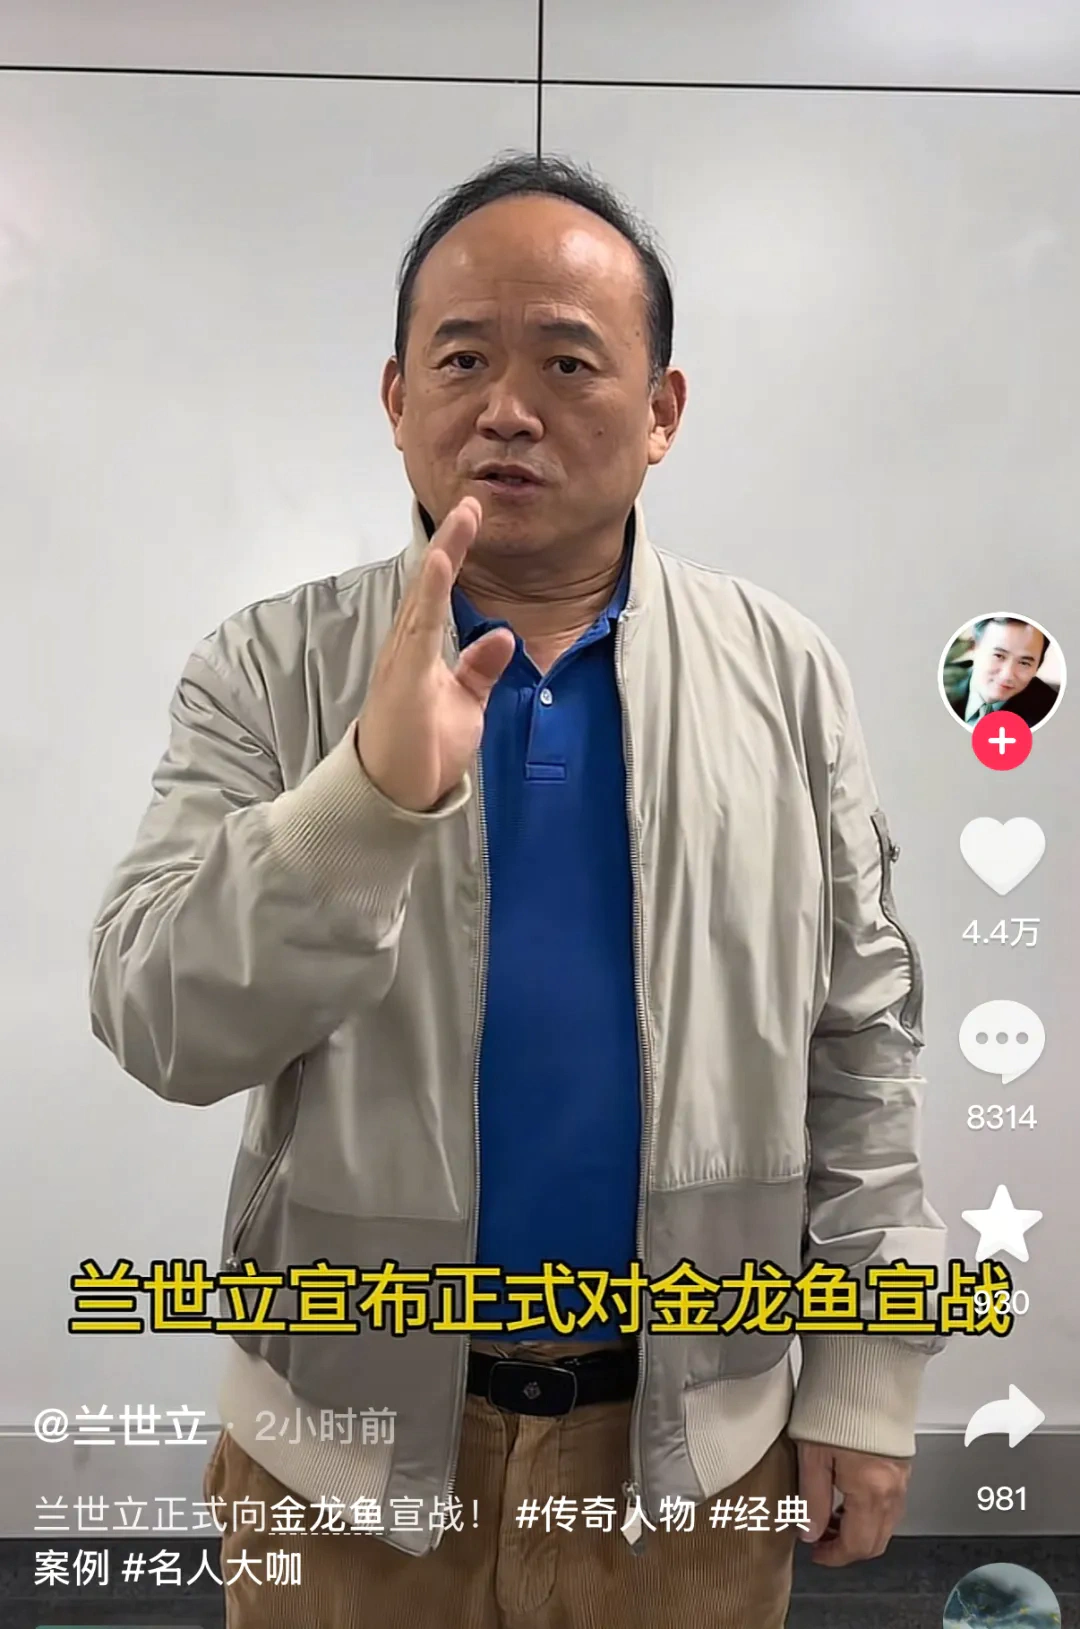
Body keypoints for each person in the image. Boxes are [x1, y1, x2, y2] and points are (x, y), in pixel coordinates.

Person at [89, 153, 946, 1628]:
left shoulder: (785, 676)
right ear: (395, 397)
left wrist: (866, 1378)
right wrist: (366, 801)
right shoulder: (269, 667)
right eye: (462, 359)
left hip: (686, 1463)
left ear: (663, 410)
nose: (506, 407)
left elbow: (859, 1046)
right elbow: (161, 1020)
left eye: (567, 360)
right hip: (344, 1459)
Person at [943, 616, 1058, 728]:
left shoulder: (1053, 714)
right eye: (998, 656)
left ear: (1037, 666)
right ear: (973, 648)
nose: (1007, 675)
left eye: (1024, 663)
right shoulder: (943, 681)